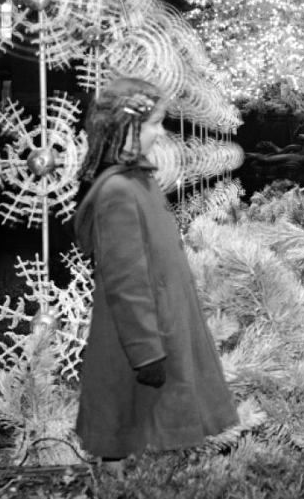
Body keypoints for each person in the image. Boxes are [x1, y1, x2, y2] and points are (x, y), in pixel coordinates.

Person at [74, 76, 238, 460]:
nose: (161, 132)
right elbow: (125, 280)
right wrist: (146, 351)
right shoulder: (119, 192)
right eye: (153, 124)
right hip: (141, 341)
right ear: (125, 129)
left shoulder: (139, 183)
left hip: (163, 329)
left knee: (155, 437)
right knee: (133, 433)